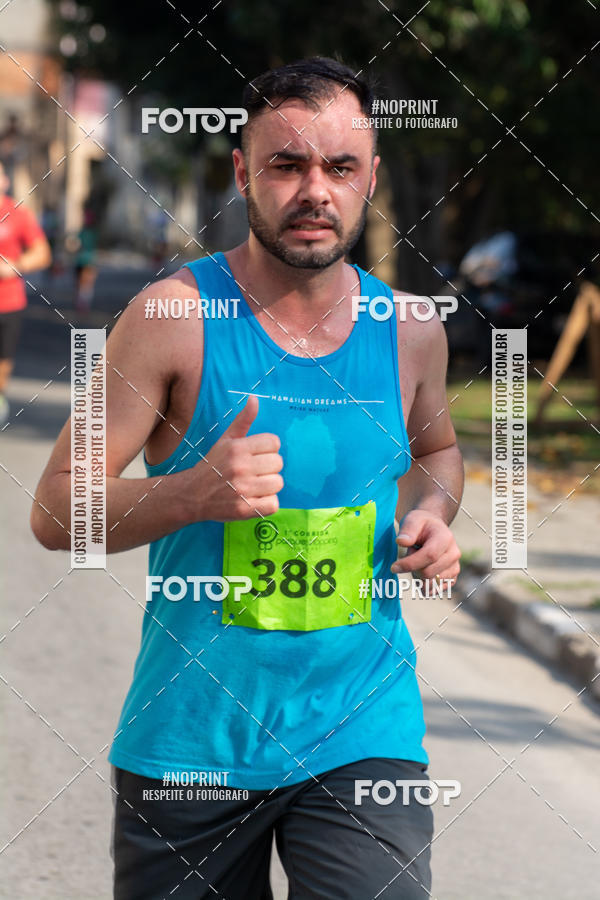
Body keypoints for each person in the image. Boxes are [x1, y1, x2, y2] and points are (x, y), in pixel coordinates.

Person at [31, 57, 463, 899]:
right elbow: (55, 511)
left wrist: (436, 514)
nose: (315, 190)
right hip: (194, 742)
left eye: (340, 167)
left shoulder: (410, 329)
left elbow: (438, 451)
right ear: (242, 172)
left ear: (370, 175)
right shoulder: (172, 318)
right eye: (286, 164)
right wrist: (193, 493)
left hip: (360, 725)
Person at [0, 160, 51, 424]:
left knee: (3, 359)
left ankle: (0, 394)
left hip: (8, 302)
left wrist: (16, 266)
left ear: (4, 181)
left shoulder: (17, 214)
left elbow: (43, 253)